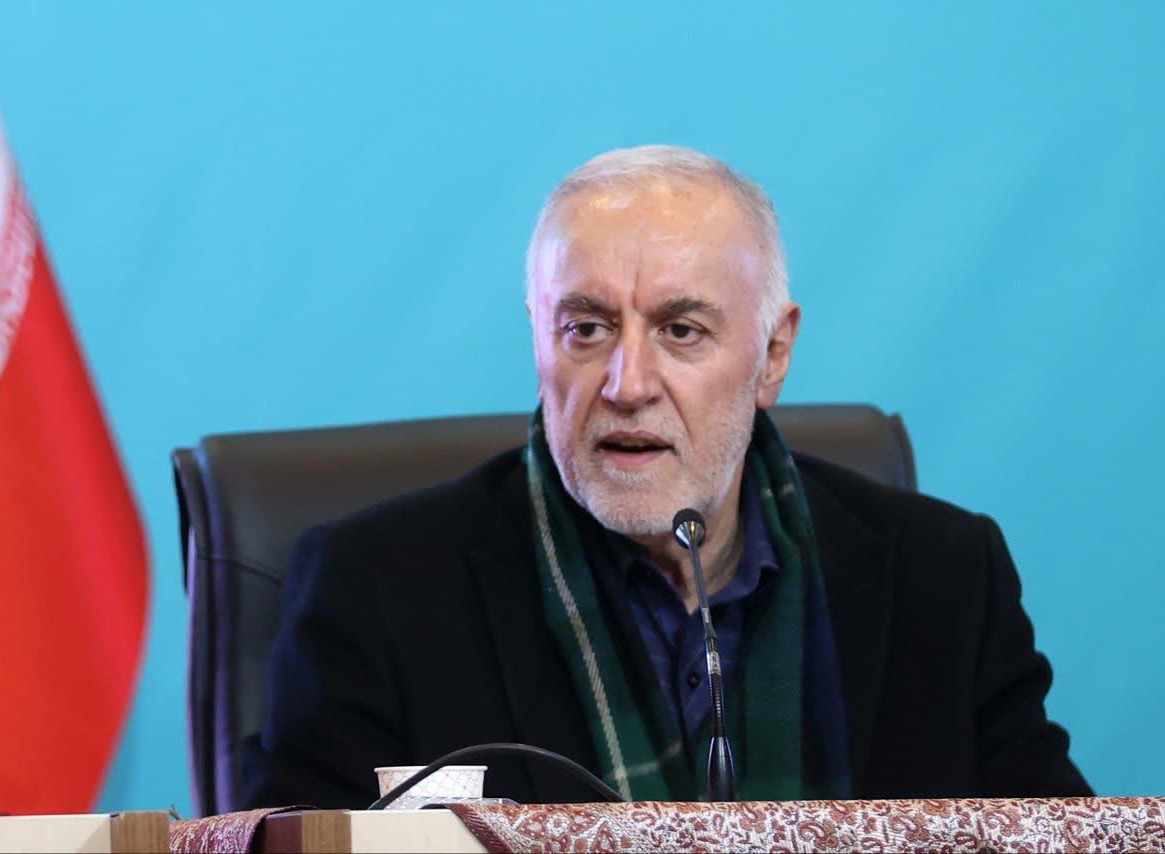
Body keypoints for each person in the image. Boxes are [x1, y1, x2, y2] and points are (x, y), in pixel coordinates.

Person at [243, 145, 1090, 809]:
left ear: (773, 354)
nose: (628, 384)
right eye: (586, 329)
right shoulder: (376, 590)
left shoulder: (947, 578)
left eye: (681, 330)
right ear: (538, 338)